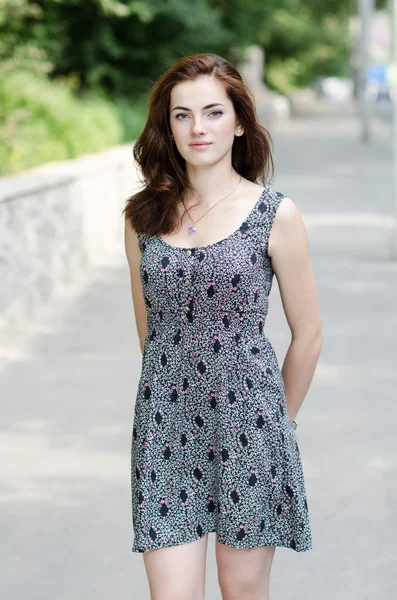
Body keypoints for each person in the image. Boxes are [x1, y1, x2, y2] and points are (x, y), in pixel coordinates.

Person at [124, 52, 323, 600]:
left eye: (212, 112)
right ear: (167, 126)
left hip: (251, 426)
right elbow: (151, 335)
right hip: (166, 426)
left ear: (239, 122)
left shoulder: (275, 214)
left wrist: (278, 423)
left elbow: (308, 335)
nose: (197, 128)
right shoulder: (142, 218)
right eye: (181, 115)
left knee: (241, 591)